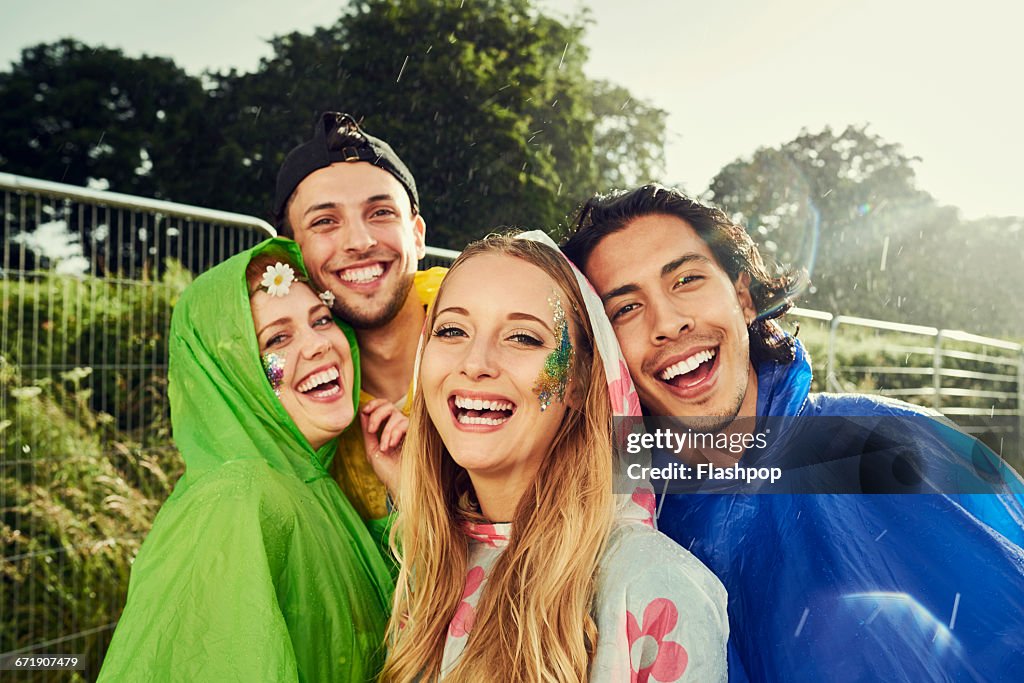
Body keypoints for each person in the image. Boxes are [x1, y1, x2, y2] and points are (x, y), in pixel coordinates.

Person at [562, 184, 1024, 682]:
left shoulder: (888, 442)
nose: (668, 323)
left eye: (687, 279)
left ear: (742, 298)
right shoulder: (614, 523)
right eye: (625, 308)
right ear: (605, 352)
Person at [380, 233, 728, 682]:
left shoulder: (652, 586)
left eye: (522, 337)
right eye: (452, 330)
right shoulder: (430, 568)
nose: (475, 362)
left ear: (580, 383)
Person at [98, 238, 400, 682]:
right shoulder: (236, 501)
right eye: (277, 338)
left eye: (321, 320)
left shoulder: (312, 487)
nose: (318, 345)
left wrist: (404, 493)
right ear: (232, 375)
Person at [272, 111, 445, 528]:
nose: (360, 242)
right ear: (290, 253)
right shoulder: (286, 383)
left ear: (417, 234)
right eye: (325, 221)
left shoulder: (499, 316)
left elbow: (622, 455)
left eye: (381, 213)